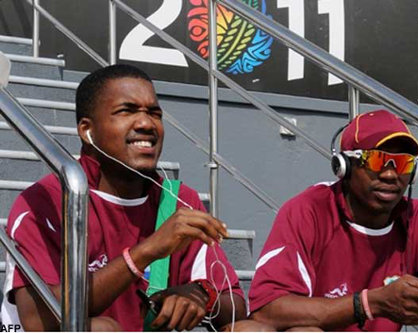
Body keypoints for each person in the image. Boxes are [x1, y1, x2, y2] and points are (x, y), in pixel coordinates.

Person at [1, 64, 246, 331]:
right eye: (126, 111)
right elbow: (39, 321)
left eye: (154, 113)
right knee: (102, 329)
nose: (146, 123)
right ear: (87, 130)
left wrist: (200, 294)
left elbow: (236, 306)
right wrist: (147, 251)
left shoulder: (177, 201)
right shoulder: (44, 202)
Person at [247, 110, 418, 331]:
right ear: (344, 166)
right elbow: (266, 309)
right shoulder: (309, 210)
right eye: (377, 160)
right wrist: (370, 303)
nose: (390, 174)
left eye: (403, 164)